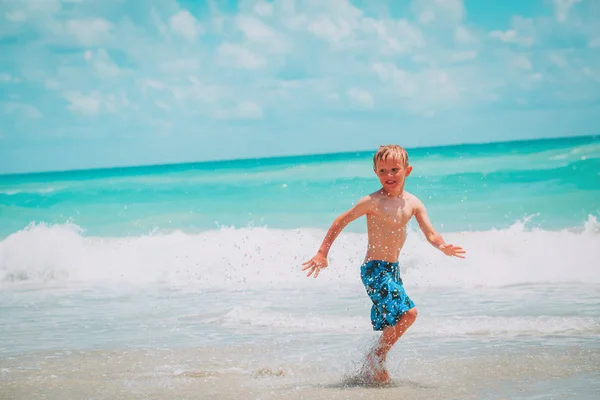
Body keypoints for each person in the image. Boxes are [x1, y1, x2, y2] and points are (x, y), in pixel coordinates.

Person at [301, 144, 466, 384]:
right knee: (409, 314)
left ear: (407, 171)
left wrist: (443, 247)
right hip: (374, 269)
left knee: (395, 320)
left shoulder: (414, 203)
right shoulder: (372, 201)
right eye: (382, 171)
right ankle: (375, 357)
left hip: (392, 270)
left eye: (394, 169)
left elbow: (431, 234)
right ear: (376, 173)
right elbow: (340, 221)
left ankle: (372, 368)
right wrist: (321, 253)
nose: (389, 175)